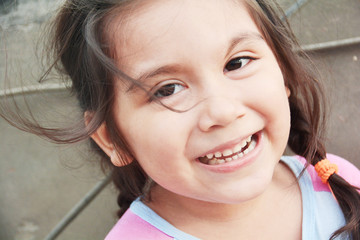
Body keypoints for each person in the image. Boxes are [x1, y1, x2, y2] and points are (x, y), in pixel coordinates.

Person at [1, 0, 360, 239]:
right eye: (167, 89)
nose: (222, 111)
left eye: (237, 63)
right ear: (112, 138)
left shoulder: (336, 182)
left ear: (282, 71)